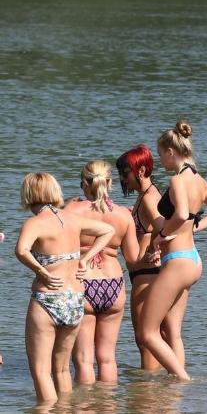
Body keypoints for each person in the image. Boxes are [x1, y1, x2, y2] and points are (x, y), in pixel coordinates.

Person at [137, 121, 207, 380]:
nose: (160, 160)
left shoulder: (177, 179)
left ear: (170, 152)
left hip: (177, 261)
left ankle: (182, 380)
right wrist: (193, 228)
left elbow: (179, 214)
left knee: (147, 333)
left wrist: (161, 237)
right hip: (192, 260)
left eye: (160, 154)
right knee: (173, 332)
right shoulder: (199, 180)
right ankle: (176, 392)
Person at [15, 172, 114, 402]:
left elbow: (21, 250)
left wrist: (41, 271)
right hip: (75, 299)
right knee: (61, 370)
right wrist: (86, 258)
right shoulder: (71, 218)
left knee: (41, 371)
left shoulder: (34, 223)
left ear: (30, 194)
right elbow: (107, 230)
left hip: (48, 299)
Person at [63, 160, 140, 383]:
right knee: (107, 359)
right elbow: (134, 259)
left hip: (83, 282)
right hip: (114, 285)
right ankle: (107, 405)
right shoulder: (124, 215)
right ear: (110, 183)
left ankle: (87, 406)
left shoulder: (72, 211)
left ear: (85, 184)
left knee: (84, 360)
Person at [115, 145, 168, 371]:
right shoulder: (145, 195)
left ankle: (148, 391)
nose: (122, 179)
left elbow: (162, 225)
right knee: (155, 336)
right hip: (145, 273)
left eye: (125, 173)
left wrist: (155, 248)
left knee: (145, 339)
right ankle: (161, 390)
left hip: (147, 274)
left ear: (141, 170)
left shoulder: (149, 198)